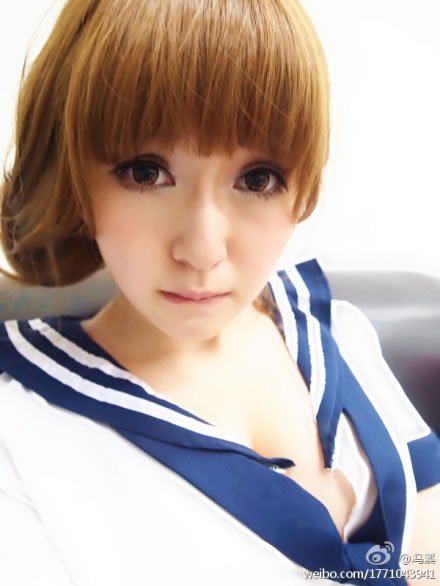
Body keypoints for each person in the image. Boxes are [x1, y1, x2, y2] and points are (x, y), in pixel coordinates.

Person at [0, 0, 438, 584]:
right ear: (75, 175)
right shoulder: (21, 433)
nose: (203, 250)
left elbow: (429, 549)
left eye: (258, 179)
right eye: (146, 173)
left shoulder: (335, 331)